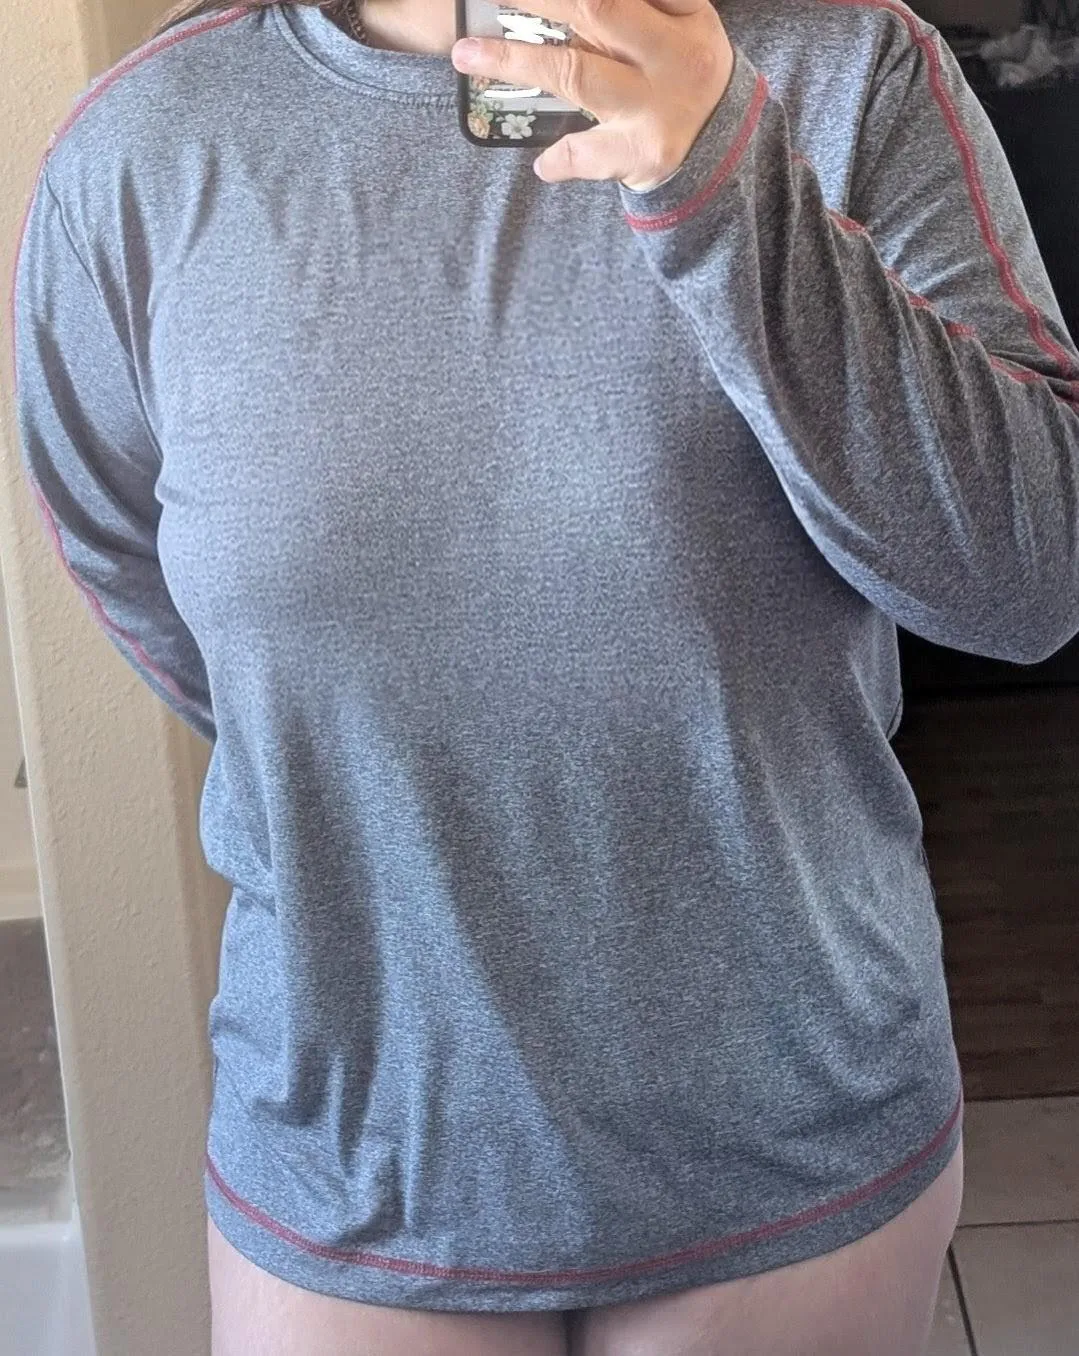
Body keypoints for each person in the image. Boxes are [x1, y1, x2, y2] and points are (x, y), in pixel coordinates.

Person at [12, 0, 1079, 1350]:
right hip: (358, 1145)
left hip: (791, 1134)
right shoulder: (145, 146)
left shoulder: (852, 68)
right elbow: (135, 565)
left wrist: (726, 184)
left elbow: (1034, 577)